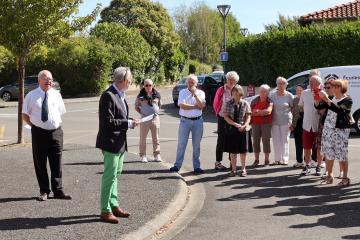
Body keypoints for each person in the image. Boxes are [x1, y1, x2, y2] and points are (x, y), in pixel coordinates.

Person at [96, 67, 139, 224]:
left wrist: (129, 120)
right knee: (109, 177)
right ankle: (105, 210)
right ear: (124, 80)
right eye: (130, 80)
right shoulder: (108, 95)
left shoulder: (120, 94)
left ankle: (113, 205)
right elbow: (108, 122)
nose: (130, 83)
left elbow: (119, 117)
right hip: (110, 143)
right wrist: (127, 123)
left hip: (120, 143)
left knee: (115, 175)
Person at [22, 70, 72, 201]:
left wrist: (51, 124)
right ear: (39, 80)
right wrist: (35, 126)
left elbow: (60, 112)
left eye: (50, 78)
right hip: (39, 133)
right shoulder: (31, 96)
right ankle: (44, 191)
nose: (49, 81)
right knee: (40, 162)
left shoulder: (56, 95)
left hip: (56, 132)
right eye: (45, 78)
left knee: (57, 162)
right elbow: (25, 115)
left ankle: (58, 190)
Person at [170, 74, 206, 174]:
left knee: (196, 145)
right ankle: (177, 165)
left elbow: (202, 106)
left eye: (192, 82)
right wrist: (196, 106)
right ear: (187, 83)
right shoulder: (182, 92)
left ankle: (197, 167)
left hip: (198, 121)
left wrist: (195, 95)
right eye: (189, 82)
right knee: (182, 144)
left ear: (196, 83)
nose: (190, 84)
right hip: (185, 121)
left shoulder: (201, 93)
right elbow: (182, 106)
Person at [319, 79, 352, 186]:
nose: (330, 88)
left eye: (333, 87)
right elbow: (319, 107)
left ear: (339, 88)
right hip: (328, 129)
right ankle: (329, 175)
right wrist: (319, 97)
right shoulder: (332, 98)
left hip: (340, 131)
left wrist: (327, 99)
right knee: (329, 154)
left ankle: (345, 178)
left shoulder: (347, 100)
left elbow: (341, 111)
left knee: (342, 155)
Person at [223, 85, 252, 177]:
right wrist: (235, 124)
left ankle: (243, 169)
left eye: (237, 92)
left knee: (243, 151)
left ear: (241, 93)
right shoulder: (228, 103)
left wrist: (244, 125)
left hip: (243, 129)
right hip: (232, 129)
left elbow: (248, 116)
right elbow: (226, 117)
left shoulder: (245, 103)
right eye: (234, 92)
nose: (235, 94)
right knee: (233, 151)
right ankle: (233, 170)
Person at [213, 71, 238, 170]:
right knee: (221, 140)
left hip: (233, 119)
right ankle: (218, 162)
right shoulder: (221, 90)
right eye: (229, 79)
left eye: (233, 80)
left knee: (232, 140)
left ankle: (232, 162)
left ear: (236, 81)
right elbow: (215, 103)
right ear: (226, 80)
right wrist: (218, 113)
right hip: (222, 117)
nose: (231, 82)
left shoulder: (237, 90)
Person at [299, 75, 323, 176]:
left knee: (319, 147)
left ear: (319, 84)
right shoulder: (304, 93)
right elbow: (302, 107)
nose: (311, 83)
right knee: (307, 147)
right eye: (310, 81)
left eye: (313, 82)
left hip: (318, 125)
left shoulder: (322, 93)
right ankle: (307, 165)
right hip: (306, 124)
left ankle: (318, 166)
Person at [135, 79, 162, 163]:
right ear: (144, 86)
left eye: (150, 85)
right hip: (144, 119)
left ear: (152, 86)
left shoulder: (157, 95)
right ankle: (143, 155)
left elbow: (160, 105)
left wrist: (155, 112)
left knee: (156, 138)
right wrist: (143, 113)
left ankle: (157, 154)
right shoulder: (140, 96)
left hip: (155, 119)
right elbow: (136, 107)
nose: (148, 87)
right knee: (143, 138)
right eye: (146, 85)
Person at [270, 77, 294, 165]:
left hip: (286, 120)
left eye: (283, 83)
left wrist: (292, 121)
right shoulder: (272, 95)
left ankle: (285, 159)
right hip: (274, 120)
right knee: (276, 140)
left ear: (286, 85)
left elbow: (292, 109)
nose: (280, 85)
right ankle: (277, 159)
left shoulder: (289, 95)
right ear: (276, 84)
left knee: (285, 140)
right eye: (279, 83)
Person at [250, 84, 273, 166]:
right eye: (261, 91)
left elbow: (268, 111)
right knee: (255, 141)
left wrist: (257, 112)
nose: (262, 93)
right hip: (255, 123)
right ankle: (256, 160)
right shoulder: (254, 100)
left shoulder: (270, 101)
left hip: (266, 124)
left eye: (264, 92)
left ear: (268, 93)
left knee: (266, 141)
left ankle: (267, 160)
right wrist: (262, 112)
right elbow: (250, 112)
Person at [291, 84, 305, 167]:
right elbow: (293, 113)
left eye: (300, 90)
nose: (298, 92)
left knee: (306, 144)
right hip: (297, 123)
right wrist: (293, 124)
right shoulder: (295, 100)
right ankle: (299, 161)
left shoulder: (307, 99)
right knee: (298, 143)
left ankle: (307, 162)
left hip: (305, 122)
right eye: (297, 90)